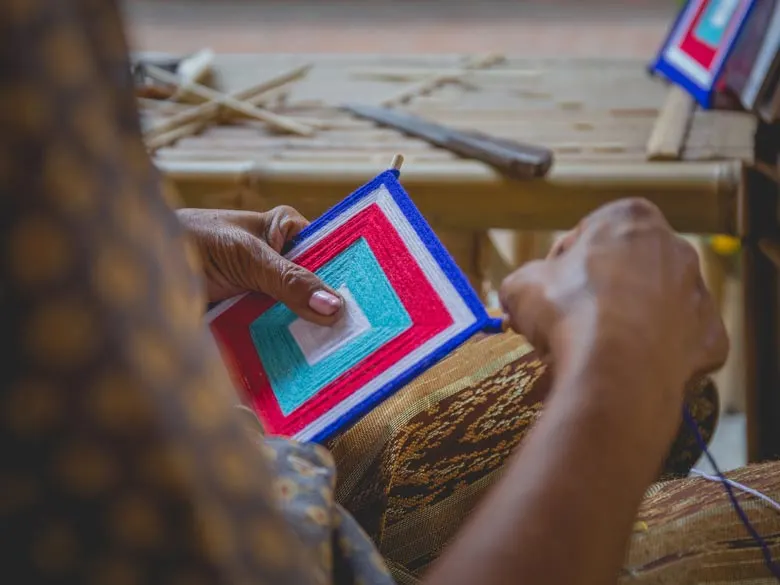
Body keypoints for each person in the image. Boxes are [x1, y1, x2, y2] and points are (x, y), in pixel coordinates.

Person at [2, 2, 778, 585]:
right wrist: (619, 371)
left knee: (681, 403)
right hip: (268, 536)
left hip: (255, 474)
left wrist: (136, 248)